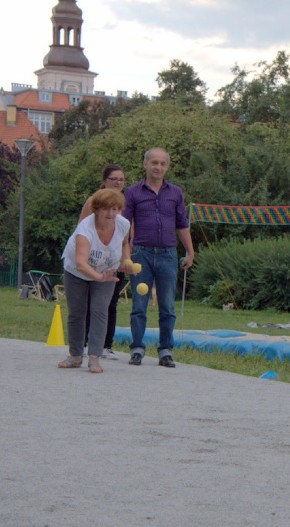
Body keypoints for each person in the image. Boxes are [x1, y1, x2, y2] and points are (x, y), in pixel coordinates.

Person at [122, 148, 194, 368]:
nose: (158, 167)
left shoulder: (175, 193)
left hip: (168, 254)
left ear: (167, 167)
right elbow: (124, 225)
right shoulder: (132, 192)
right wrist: (125, 254)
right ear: (145, 164)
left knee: (167, 306)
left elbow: (182, 224)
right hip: (141, 253)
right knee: (139, 304)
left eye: (163, 164)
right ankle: (137, 349)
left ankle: (165, 351)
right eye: (154, 163)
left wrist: (190, 251)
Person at [59, 188, 131, 373]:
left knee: (100, 310)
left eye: (115, 209)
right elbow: (81, 263)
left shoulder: (123, 224)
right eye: (106, 209)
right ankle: (75, 356)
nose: (111, 214)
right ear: (96, 209)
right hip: (77, 272)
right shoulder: (85, 229)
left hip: (107, 269)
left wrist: (125, 260)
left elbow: (124, 243)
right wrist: (99, 277)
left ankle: (94, 358)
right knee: (77, 312)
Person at [80, 165, 127, 360]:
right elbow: (81, 228)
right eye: (114, 179)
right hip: (93, 259)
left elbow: (125, 236)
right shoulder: (94, 200)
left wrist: (125, 259)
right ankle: (84, 343)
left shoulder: (122, 203)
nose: (118, 182)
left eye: (121, 180)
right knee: (91, 303)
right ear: (105, 180)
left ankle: (106, 345)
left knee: (111, 303)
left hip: (113, 260)